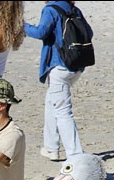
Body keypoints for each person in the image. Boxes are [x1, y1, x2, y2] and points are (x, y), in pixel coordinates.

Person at [24, 0, 84, 161]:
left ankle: (75, 155)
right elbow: (88, 33)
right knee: (51, 102)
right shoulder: (73, 9)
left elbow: (41, 32)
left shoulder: (50, 9)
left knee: (63, 112)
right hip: (76, 64)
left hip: (59, 65)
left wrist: (22, 26)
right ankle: (51, 148)